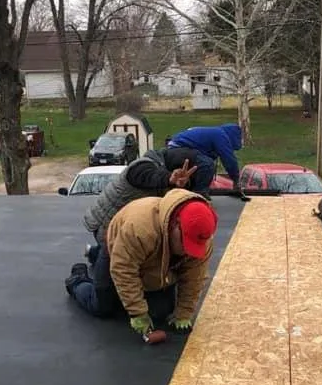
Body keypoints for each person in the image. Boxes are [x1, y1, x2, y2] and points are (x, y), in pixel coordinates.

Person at [65, 189, 218, 336]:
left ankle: (94, 254)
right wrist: (137, 312)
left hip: (151, 259)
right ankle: (77, 280)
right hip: (118, 251)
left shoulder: (202, 238)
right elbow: (124, 270)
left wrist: (183, 313)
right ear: (176, 225)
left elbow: (194, 278)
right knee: (102, 306)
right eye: (185, 243)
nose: (187, 251)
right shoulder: (139, 228)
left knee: (160, 312)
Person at [83, 146, 200, 243]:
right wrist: (169, 178)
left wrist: (178, 184)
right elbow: (151, 177)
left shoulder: (162, 170)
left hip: (124, 223)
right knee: (115, 257)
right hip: (106, 223)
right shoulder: (142, 166)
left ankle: (94, 253)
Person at [166, 123, 243, 194]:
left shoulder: (210, 133)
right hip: (179, 150)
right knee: (207, 164)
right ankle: (200, 194)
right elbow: (229, 159)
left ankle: (184, 191)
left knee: (198, 167)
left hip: (171, 152)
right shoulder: (220, 134)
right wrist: (236, 180)